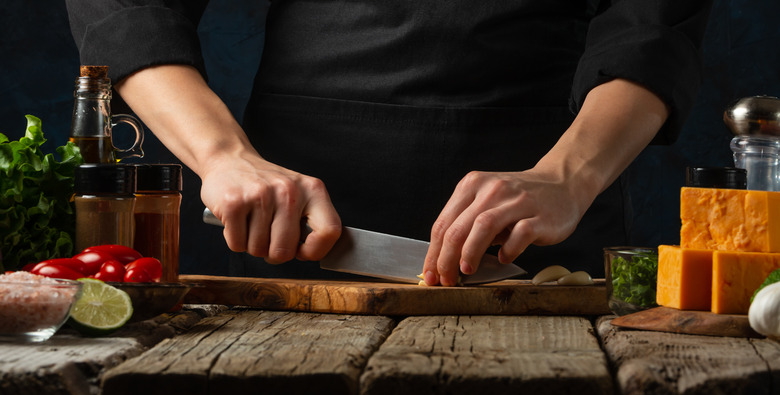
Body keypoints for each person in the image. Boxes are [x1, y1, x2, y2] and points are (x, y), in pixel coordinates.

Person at [65, 1, 713, 285]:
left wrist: (567, 177)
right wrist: (223, 156)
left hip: (540, 232)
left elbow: (652, 23)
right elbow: (128, 5)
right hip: (299, 228)